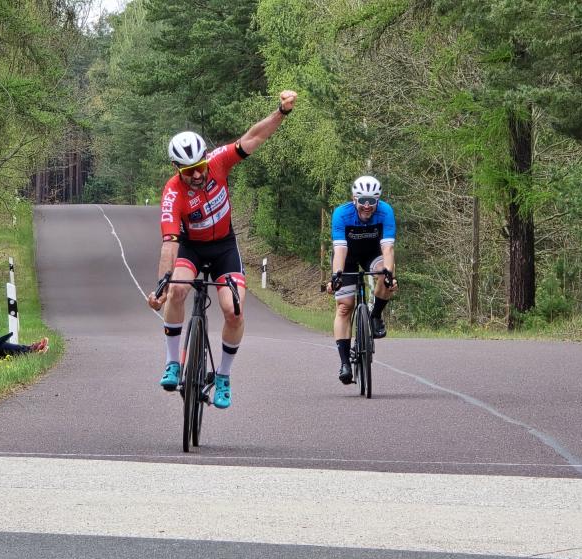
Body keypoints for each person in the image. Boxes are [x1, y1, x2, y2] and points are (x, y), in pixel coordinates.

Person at [147, 90, 298, 409]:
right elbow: (170, 244)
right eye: (188, 171)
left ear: (206, 158)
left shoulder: (218, 162)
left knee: (234, 310)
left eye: (200, 166)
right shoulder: (173, 193)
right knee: (177, 291)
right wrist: (162, 285)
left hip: (224, 247)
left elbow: (253, 137)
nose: (197, 175)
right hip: (192, 248)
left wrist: (281, 112)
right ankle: (172, 363)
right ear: (176, 168)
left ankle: (224, 377)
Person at [328, 175, 398, 385]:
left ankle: (375, 316)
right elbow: (340, 250)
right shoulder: (341, 214)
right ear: (354, 199)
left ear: (378, 200)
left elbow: (388, 248)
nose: (367, 206)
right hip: (347, 257)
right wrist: (337, 275)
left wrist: (389, 274)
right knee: (344, 307)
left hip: (372, 254)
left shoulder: (385, 211)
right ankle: (344, 363)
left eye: (372, 201)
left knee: (385, 275)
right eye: (363, 200)